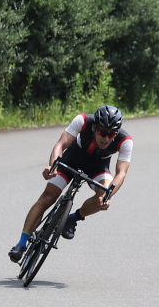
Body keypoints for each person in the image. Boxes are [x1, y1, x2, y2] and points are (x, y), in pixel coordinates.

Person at [8, 105, 133, 263]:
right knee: (48, 197)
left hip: (98, 167)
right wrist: (52, 167)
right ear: (94, 127)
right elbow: (61, 145)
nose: (107, 138)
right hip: (72, 158)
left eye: (111, 134)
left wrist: (108, 195)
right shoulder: (82, 120)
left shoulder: (125, 141)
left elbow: (121, 173)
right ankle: (21, 244)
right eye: (102, 132)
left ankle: (73, 218)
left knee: (104, 195)